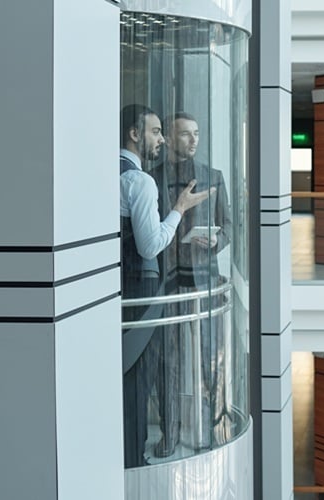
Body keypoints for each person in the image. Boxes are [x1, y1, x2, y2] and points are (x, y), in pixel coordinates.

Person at [120, 104, 213, 467]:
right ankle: (133, 455)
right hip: (143, 288)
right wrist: (179, 208)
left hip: (121, 285)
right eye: (156, 131)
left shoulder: (104, 171)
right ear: (134, 133)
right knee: (139, 375)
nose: (159, 139)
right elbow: (150, 246)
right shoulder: (141, 180)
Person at [150, 112, 232, 451]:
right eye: (186, 134)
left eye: (196, 133)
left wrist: (216, 241)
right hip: (168, 284)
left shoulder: (213, 176)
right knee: (166, 363)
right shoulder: (151, 180)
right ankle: (170, 434)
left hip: (204, 282)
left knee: (211, 359)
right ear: (169, 137)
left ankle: (214, 429)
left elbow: (229, 226)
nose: (193, 140)